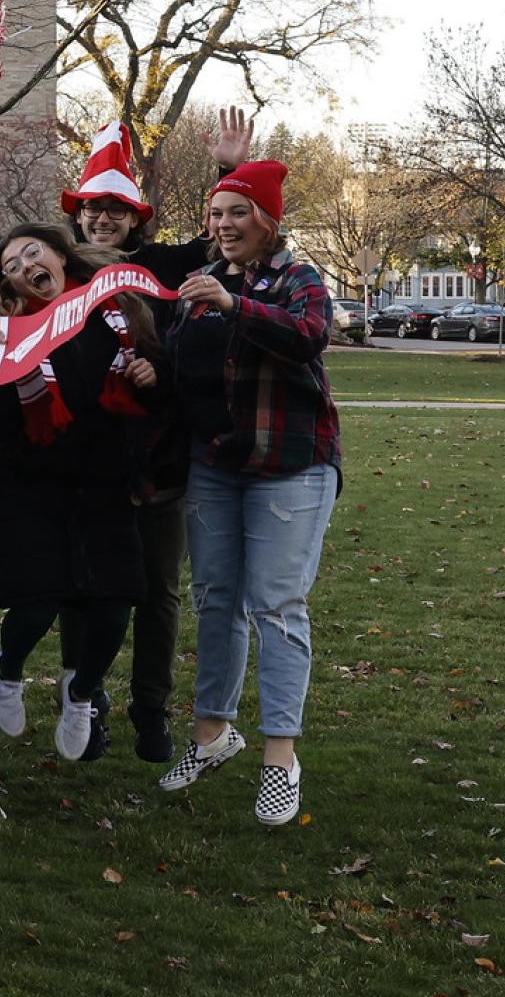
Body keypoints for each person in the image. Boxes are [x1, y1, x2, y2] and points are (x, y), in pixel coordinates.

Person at [59, 108, 253, 762]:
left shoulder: (166, 267)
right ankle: (86, 708)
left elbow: (225, 238)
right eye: (94, 210)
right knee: (82, 589)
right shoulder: (59, 275)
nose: (104, 220)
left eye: (116, 210)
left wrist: (230, 169)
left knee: (158, 593)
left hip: (158, 459)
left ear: (135, 217)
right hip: (84, 460)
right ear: (79, 215)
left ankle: (150, 710)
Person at [158, 161, 343, 827]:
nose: (224, 224)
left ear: (266, 220)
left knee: (276, 606)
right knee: (216, 602)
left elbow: (308, 337)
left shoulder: (298, 279)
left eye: (239, 212)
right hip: (216, 464)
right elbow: (186, 367)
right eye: (217, 213)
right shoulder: (202, 282)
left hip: (290, 465)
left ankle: (280, 759)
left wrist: (235, 306)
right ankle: (212, 736)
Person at [0, 226, 169, 762]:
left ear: (59, 255)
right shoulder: (7, 331)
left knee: (114, 606)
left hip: (103, 483)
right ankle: (8, 671)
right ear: (8, 283)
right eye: (11, 264)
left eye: (32, 252)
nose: (25, 264)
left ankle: (81, 696)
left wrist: (152, 376)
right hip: (29, 488)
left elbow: (155, 396)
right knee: (36, 607)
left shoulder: (115, 312)